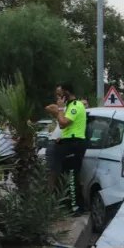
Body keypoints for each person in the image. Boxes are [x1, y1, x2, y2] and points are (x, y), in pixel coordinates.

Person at [45, 83, 87, 215]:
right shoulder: (68, 106)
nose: (58, 97)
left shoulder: (75, 106)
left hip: (75, 144)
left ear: (67, 93)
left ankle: (75, 207)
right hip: (68, 142)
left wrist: (60, 110)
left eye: (60, 94)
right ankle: (67, 204)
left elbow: (63, 124)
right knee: (64, 174)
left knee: (72, 176)